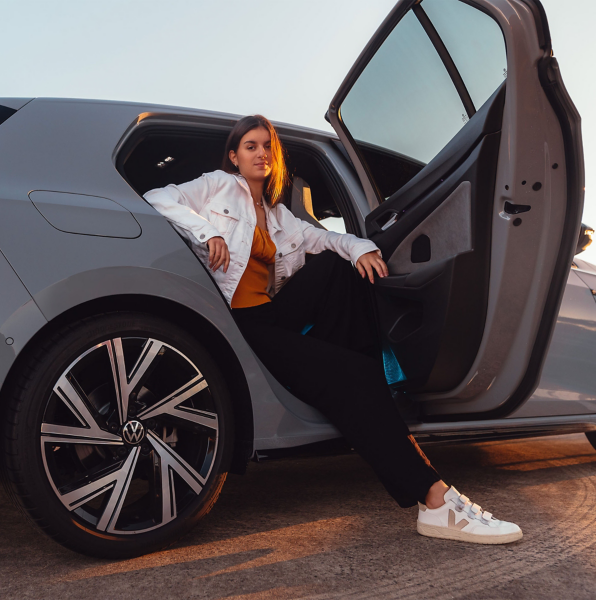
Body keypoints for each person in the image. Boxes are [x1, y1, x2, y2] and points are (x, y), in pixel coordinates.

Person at [144, 114, 522, 544]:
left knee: (340, 267)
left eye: (267, 146)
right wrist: (206, 229)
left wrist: (361, 248)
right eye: (250, 146)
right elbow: (157, 196)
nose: (261, 153)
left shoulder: (279, 215)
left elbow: (328, 240)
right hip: (236, 323)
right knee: (356, 376)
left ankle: (362, 382)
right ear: (234, 156)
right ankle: (435, 502)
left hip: (272, 317)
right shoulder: (217, 185)